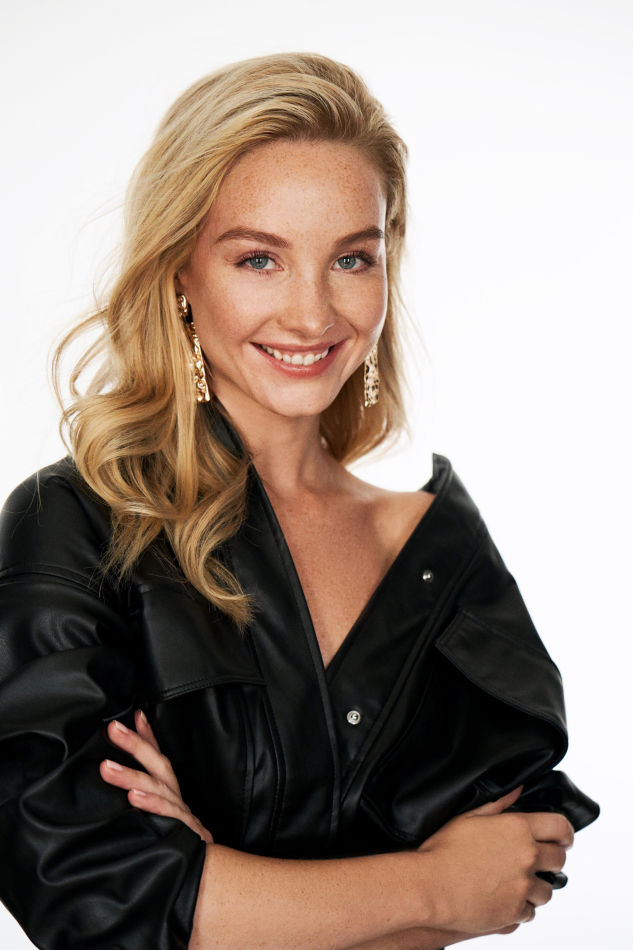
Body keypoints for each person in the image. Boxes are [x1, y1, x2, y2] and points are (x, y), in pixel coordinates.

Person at [0, 52, 598, 950]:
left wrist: (217, 884)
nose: (313, 315)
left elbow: (516, 866)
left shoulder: (437, 548)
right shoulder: (78, 525)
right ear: (179, 272)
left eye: (351, 258)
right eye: (259, 259)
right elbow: (94, 903)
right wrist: (432, 885)